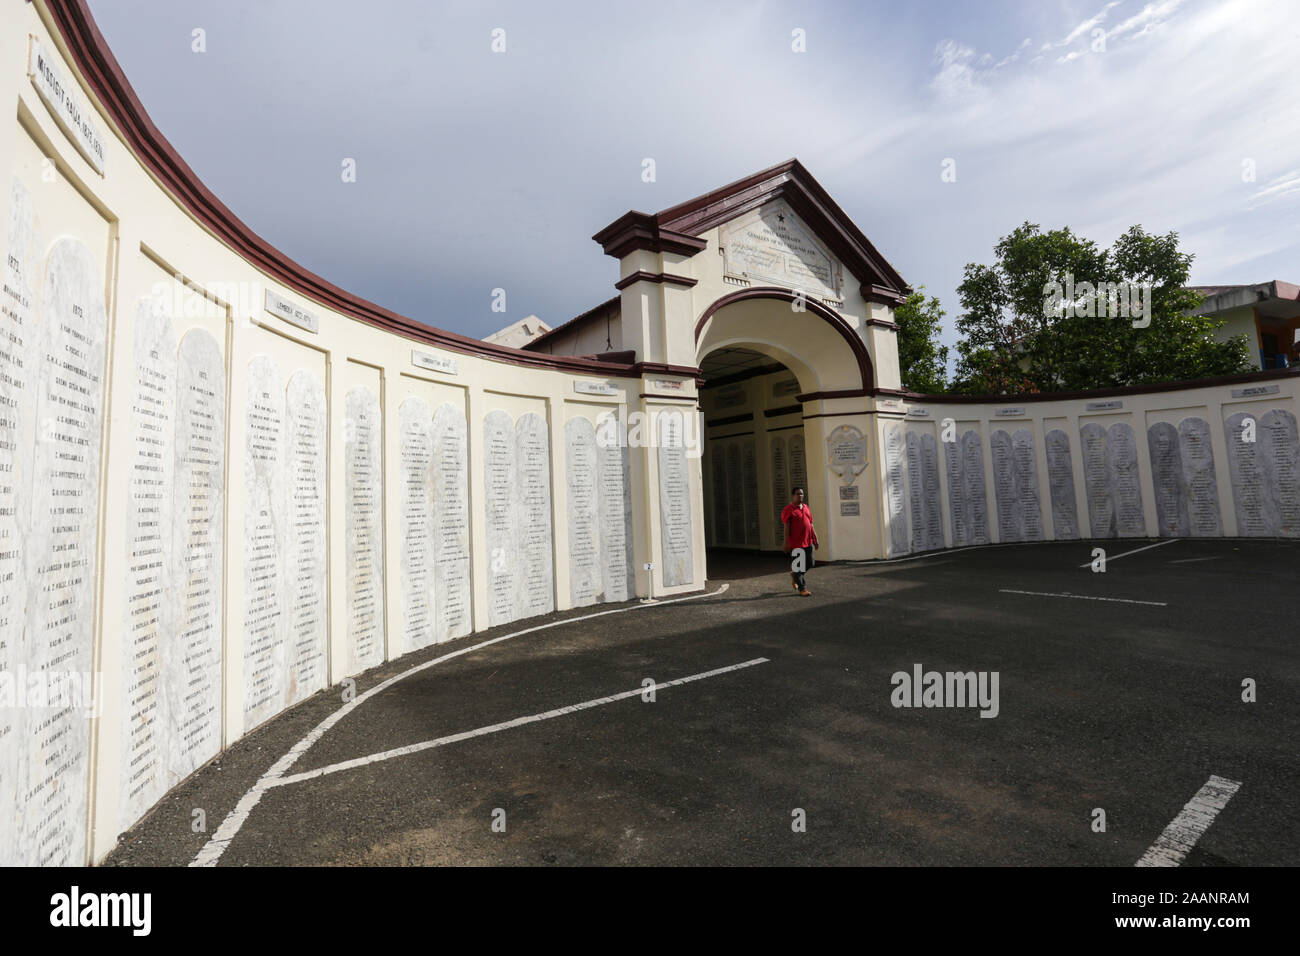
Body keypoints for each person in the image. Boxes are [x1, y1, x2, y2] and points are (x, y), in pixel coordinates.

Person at [781, 487, 818, 596]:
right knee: (798, 566)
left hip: (808, 541)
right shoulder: (788, 509)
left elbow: (811, 524)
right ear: (793, 496)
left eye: (802, 494)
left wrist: (815, 538)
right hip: (796, 544)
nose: (800, 496)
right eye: (798, 494)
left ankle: (795, 575)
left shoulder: (806, 507)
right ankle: (803, 589)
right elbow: (786, 526)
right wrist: (786, 542)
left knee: (811, 563)